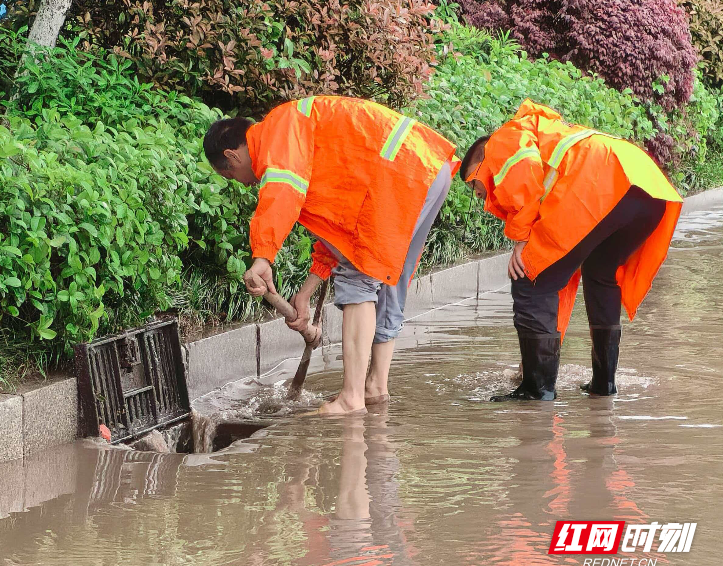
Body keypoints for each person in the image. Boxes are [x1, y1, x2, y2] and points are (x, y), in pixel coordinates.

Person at [203, 96, 456, 414]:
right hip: (426, 169)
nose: (243, 184)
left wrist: (263, 256)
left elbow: (282, 192)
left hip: (399, 174)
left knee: (359, 277)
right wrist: (306, 293)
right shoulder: (299, 134)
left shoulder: (278, 132)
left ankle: (351, 399)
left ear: (232, 155)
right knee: (388, 277)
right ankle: (375, 387)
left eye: (230, 176)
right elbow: (340, 236)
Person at [459, 100, 682, 401]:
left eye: (474, 183)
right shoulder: (545, 134)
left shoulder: (502, 140)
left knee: (530, 277)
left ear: (481, 160)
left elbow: (524, 174)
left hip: (603, 184)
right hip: (646, 186)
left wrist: (521, 240)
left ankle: (537, 391)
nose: (479, 194)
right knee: (600, 272)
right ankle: (604, 384)